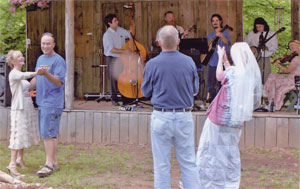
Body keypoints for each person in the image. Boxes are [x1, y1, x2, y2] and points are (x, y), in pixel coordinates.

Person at [196, 42, 262, 188]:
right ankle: (230, 182)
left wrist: (220, 58)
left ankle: (205, 181)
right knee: (230, 149)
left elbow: (220, 76)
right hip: (235, 119)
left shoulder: (233, 72)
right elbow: (230, 75)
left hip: (220, 117)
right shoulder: (248, 75)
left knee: (209, 148)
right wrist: (226, 60)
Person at [141, 25, 200, 189]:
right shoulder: (189, 62)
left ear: (159, 42)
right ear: (178, 41)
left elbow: (145, 91)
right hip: (184, 115)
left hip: (161, 116)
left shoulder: (152, 64)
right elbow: (195, 90)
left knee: (161, 165)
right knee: (188, 163)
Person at [30, 32, 66, 177]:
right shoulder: (40, 58)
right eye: (43, 43)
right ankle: (54, 162)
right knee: (51, 133)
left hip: (52, 102)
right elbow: (36, 78)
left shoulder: (58, 60)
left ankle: (48, 164)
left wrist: (46, 73)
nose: (45, 46)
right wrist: (25, 87)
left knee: (47, 133)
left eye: (48, 43)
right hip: (42, 100)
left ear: (53, 44)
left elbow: (58, 81)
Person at [6, 50, 40, 177]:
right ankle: (12, 164)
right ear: (13, 61)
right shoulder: (14, 74)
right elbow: (24, 76)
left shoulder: (21, 74)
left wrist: (38, 76)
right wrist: (36, 72)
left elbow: (29, 87)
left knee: (23, 132)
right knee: (17, 134)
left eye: (21, 56)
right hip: (18, 108)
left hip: (27, 106)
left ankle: (20, 159)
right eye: (18, 56)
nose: (21, 57)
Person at [103, 14, 133, 106]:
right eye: (115, 21)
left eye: (117, 20)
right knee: (114, 79)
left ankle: (126, 99)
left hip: (122, 58)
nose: (117, 22)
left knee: (124, 77)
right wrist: (125, 51)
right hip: (112, 58)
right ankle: (114, 99)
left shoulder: (120, 30)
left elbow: (130, 34)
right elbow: (111, 49)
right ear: (109, 23)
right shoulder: (107, 35)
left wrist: (133, 26)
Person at [264, 40, 300, 111]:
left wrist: (278, 64)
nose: (291, 49)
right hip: (295, 79)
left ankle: (272, 102)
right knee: (274, 76)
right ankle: (272, 102)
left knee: (273, 79)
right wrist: (280, 73)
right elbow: (294, 71)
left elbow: (287, 70)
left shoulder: (297, 59)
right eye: (290, 47)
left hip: (293, 81)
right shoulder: (296, 58)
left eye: (293, 47)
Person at [205, 14, 231, 103]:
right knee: (210, 84)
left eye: (217, 20)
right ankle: (212, 102)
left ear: (220, 21)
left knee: (222, 84)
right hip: (212, 62)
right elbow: (207, 49)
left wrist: (221, 35)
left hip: (222, 63)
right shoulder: (210, 35)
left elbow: (227, 42)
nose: (215, 22)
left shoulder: (225, 33)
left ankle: (221, 102)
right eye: (213, 21)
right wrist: (210, 42)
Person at [245, 17, 278, 83]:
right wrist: (252, 48)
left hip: (265, 57)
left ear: (264, 25)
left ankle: (265, 91)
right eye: (257, 27)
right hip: (254, 57)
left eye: (260, 26)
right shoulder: (251, 33)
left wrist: (267, 48)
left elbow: (274, 46)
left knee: (266, 75)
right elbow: (245, 44)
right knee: (254, 75)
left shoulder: (271, 34)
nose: (258, 28)